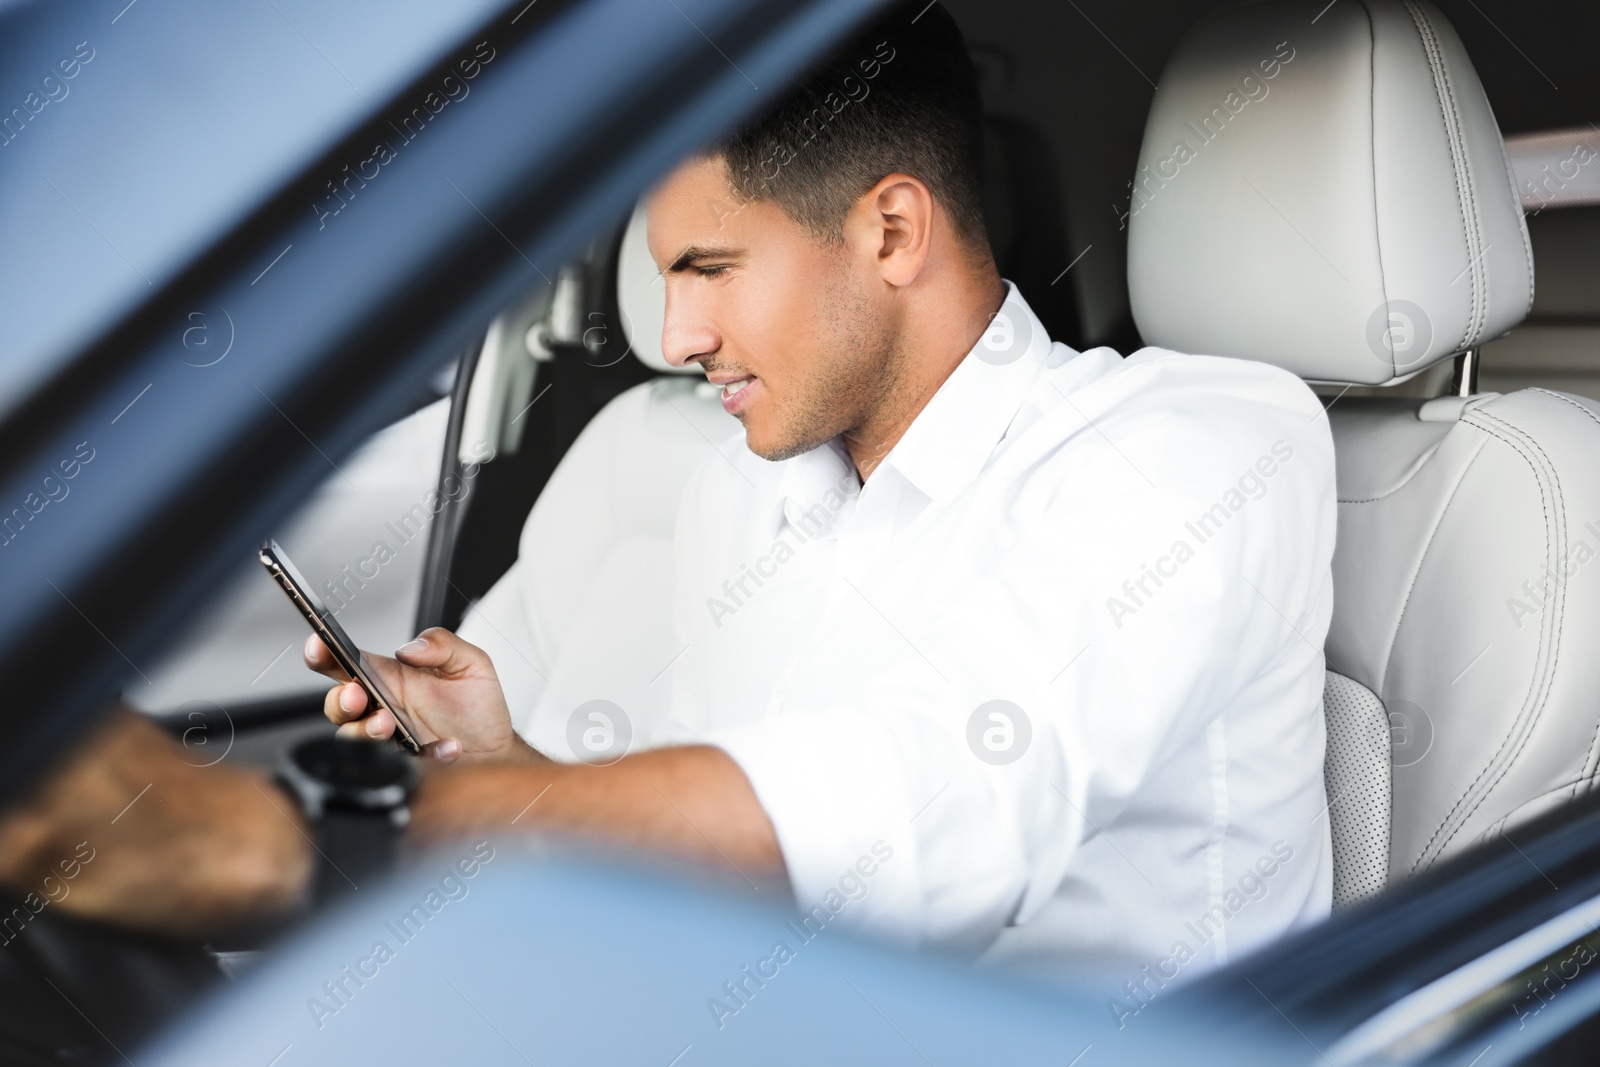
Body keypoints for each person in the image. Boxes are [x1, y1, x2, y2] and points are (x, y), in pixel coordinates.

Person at [310, 0, 1338, 981]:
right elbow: (720, 884)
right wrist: (503, 760)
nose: (675, 338)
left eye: (710, 268)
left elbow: (935, 810)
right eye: (667, 276)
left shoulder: (1194, 451)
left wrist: (444, 819)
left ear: (890, 232)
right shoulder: (739, 489)